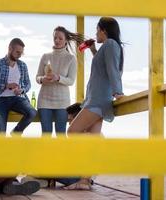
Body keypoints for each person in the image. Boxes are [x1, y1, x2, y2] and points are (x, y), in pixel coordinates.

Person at [67, 17, 125, 189]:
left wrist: (117, 91)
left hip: (98, 100)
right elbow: (103, 66)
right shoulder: (106, 47)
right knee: (89, 143)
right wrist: (93, 50)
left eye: (97, 30)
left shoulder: (110, 45)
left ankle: (99, 142)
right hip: (94, 99)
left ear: (103, 30)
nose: (95, 33)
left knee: (72, 131)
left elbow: (112, 69)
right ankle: (84, 181)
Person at [36, 26, 84, 136]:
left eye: (60, 38)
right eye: (55, 38)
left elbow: (71, 81)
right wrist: (43, 79)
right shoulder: (45, 56)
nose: (57, 40)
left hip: (62, 102)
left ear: (66, 40)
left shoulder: (71, 58)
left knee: (61, 135)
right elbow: (37, 77)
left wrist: (58, 78)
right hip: (44, 101)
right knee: (46, 134)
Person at [0, 38, 37, 134]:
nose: (19, 55)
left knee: (32, 112)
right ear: (10, 49)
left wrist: (22, 90)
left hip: (18, 98)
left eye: (21, 53)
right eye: (17, 52)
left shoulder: (22, 65)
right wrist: (5, 86)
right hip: (0, 100)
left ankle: (16, 132)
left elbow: (28, 84)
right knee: (1, 131)